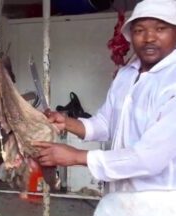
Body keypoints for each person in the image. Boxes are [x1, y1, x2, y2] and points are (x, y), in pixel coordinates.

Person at [32, 0, 176, 193]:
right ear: (131, 36)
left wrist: (77, 156)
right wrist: (67, 122)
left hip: (162, 205)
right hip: (118, 198)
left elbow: (149, 158)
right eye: (140, 30)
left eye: (160, 28)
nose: (149, 38)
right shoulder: (126, 75)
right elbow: (105, 123)